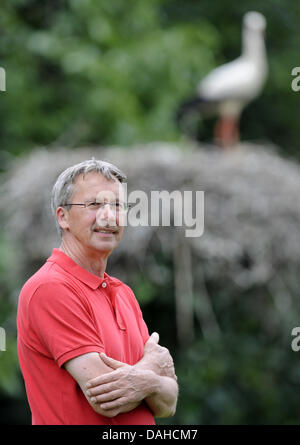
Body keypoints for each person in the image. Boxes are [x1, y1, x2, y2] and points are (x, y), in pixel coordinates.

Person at [17, 159, 178, 425]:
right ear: (63, 217)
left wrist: (145, 384)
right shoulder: (50, 288)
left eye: (117, 205)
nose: (109, 216)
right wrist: (152, 373)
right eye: (94, 205)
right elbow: (106, 399)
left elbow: (168, 403)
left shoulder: (123, 293)